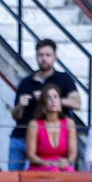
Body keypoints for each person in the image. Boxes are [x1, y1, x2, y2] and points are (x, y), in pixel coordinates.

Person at [8, 38, 80, 171]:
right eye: (40, 55)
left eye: (48, 55)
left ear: (55, 57)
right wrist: (20, 106)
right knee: (13, 178)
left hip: (50, 139)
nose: (44, 59)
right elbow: (15, 115)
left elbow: (77, 103)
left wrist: (51, 99)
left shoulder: (63, 79)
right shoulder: (26, 82)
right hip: (21, 136)